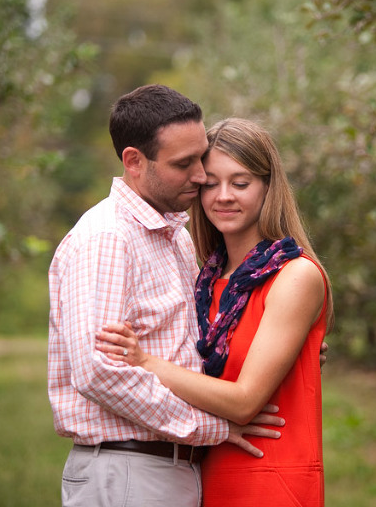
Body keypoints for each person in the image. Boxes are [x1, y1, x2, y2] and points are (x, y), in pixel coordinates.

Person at [48, 86, 284, 507]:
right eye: (184, 163)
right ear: (134, 161)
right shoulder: (108, 238)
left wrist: (283, 342)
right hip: (129, 472)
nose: (200, 175)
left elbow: (197, 336)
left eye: (200, 156)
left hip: (169, 469)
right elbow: (98, 372)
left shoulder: (171, 235)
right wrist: (212, 427)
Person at [96, 117, 334, 507]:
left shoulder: (294, 275)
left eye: (241, 183)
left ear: (268, 187)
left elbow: (244, 401)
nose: (223, 196)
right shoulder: (203, 279)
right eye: (211, 184)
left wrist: (142, 361)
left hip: (269, 473)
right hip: (205, 470)